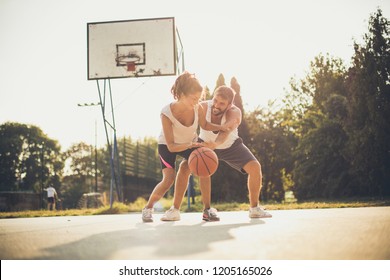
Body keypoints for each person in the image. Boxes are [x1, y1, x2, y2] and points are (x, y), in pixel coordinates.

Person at [164, 85, 272, 221]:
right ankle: (177, 209)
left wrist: (214, 144)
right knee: (184, 167)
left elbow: (226, 130)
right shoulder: (202, 107)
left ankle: (254, 208)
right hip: (204, 143)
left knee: (255, 167)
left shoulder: (235, 113)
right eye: (215, 100)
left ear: (229, 104)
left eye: (222, 103)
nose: (216, 105)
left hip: (231, 146)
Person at [141, 72, 230, 222]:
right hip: (168, 145)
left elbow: (205, 125)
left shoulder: (197, 108)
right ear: (181, 94)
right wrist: (189, 144)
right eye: (193, 98)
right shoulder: (166, 113)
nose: (196, 102)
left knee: (205, 169)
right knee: (168, 179)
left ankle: (207, 210)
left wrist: (222, 128)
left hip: (190, 143)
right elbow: (171, 146)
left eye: (199, 99)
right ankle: (148, 208)